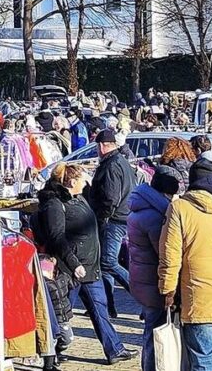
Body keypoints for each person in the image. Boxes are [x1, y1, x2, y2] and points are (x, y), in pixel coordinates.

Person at [36, 163, 138, 364]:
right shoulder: (55, 204)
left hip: (90, 267)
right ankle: (51, 353)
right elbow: (56, 237)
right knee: (61, 315)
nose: (86, 183)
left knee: (100, 309)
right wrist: (74, 264)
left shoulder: (80, 197)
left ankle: (114, 349)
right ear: (72, 182)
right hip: (69, 269)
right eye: (82, 179)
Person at [159, 159, 212, 371]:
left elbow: (170, 256)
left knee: (202, 363)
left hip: (200, 300)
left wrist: (167, 290)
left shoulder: (179, 208)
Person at [126, 166, 182, 371]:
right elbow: (165, 252)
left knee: (150, 330)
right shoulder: (155, 217)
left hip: (143, 278)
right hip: (154, 282)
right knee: (155, 333)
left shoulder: (141, 208)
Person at [88, 129, 136, 318]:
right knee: (104, 263)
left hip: (113, 220)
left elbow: (111, 197)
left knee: (108, 262)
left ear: (102, 146)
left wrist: (103, 217)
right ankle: (107, 305)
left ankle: (141, 294)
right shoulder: (118, 161)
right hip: (118, 217)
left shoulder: (112, 165)